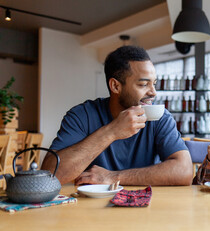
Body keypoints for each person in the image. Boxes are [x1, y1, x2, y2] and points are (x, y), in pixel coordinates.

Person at [41, 46, 193, 186]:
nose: (153, 92)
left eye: (154, 83)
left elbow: (185, 171)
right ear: (115, 86)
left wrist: (114, 177)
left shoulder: (159, 117)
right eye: (143, 84)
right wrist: (112, 131)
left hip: (147, 207)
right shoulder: (82, 116)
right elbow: (50, 175)